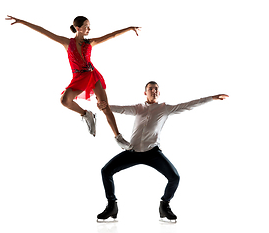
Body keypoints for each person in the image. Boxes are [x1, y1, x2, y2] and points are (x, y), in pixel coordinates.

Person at [96, 81, 229, 222]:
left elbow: (189, 105)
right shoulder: (138, 108)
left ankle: (164, 205)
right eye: (150, 89)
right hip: (132, 152)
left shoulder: (164, 109)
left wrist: (212, 98)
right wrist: (104, 106)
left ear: (159, 93)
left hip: (152, 153)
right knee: (106, 171)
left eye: (156, 89)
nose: (153, 91)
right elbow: (119, 109)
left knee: (174, 177)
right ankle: (112, 206)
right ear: (145, 92)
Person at [5, 15, 140, 149]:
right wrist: (22, 21)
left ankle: (118, 138)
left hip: (92, 75)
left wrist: (129, 28)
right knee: (65, 100)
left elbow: (112, 35)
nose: (89, 29)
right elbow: (42, 30)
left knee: (105, 106)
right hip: (78, 77)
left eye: (89, 26)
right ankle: (86, 114)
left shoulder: (90, 42)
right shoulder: (66, 42)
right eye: (86, 26)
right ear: (78, 28)